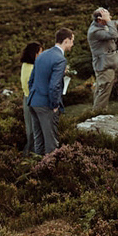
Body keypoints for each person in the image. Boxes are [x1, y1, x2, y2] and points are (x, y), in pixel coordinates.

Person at [28, 28, 74, 156]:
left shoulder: (42, 55)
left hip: (33, 101)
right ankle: (49, 170)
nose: (72, 44)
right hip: (46, 105)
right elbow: (54, 86)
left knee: (39, 140)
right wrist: (54, 105)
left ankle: (37, 167)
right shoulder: (60, 59)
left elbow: (31, 81)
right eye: (72, 41)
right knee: (51, 143)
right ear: (66, 41)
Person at [87, 7, 118, 111]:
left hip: (106, 63)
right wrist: (109, 21)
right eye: (107, 16)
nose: (110, 17)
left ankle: (97, 111)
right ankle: (98, 113)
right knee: (104, 90)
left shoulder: (100, 26)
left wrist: (108, 21)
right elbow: (114, 34)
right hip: (104, 65)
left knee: (102, 89)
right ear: (100, 19)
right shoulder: (95, 31)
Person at [19, 41, 41, 154]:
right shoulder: (32, 68)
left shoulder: (25, 65)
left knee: (30, 129)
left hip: (26, 98)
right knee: (34, 130)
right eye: (40, 52)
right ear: (35, 54)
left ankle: (30, 152)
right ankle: (31, 154)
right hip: (32, 100)